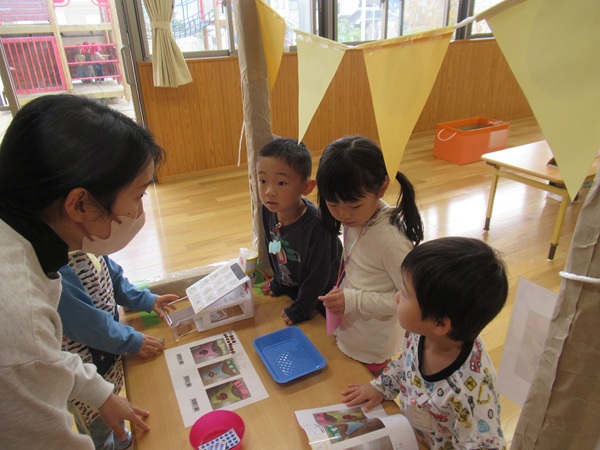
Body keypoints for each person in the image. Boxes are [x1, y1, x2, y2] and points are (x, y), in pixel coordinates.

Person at [0, 94, 162, 449]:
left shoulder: (27, 241)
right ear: (80, 204)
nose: (138, 213)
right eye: (138, 195)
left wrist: (99, 393)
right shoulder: (19, 313)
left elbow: (49, 355)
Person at [341, 237, 508, 449]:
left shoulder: (470, 394)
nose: (396, 297)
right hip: (413, 435)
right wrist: (382, 387)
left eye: (405, 293)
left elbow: (485, 444)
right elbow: (405, 363)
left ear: (440, 323)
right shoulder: (421, 332)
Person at [316, 135, 423, 376]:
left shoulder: (392, 241)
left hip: (373, 346)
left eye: (354, 205)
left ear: (381, 188)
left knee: (366, 389)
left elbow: (410, 302)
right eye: (333, 204)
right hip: (350, 331)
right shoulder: (358, 219)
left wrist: (353, 300)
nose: (343, 214)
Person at [59, 252, 178, 449]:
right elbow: (91, 327)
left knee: (115, 408)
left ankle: (120, 440)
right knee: (98, 429)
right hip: (85, 381)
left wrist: (145, 299)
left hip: (108, 362)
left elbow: (115, 280)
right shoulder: (59, 273)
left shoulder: (90, 248)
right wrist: (132, 340)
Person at [257, 137, 342, 325]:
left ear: (306, 187)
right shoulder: (268, 210)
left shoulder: (318, 225)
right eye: (262, 180)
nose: (269, 191)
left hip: (323, 296)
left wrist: (302, 308)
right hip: (295, 287)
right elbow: (272, 247)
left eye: (281, 183)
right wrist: (279, 282)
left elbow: (320, 275)